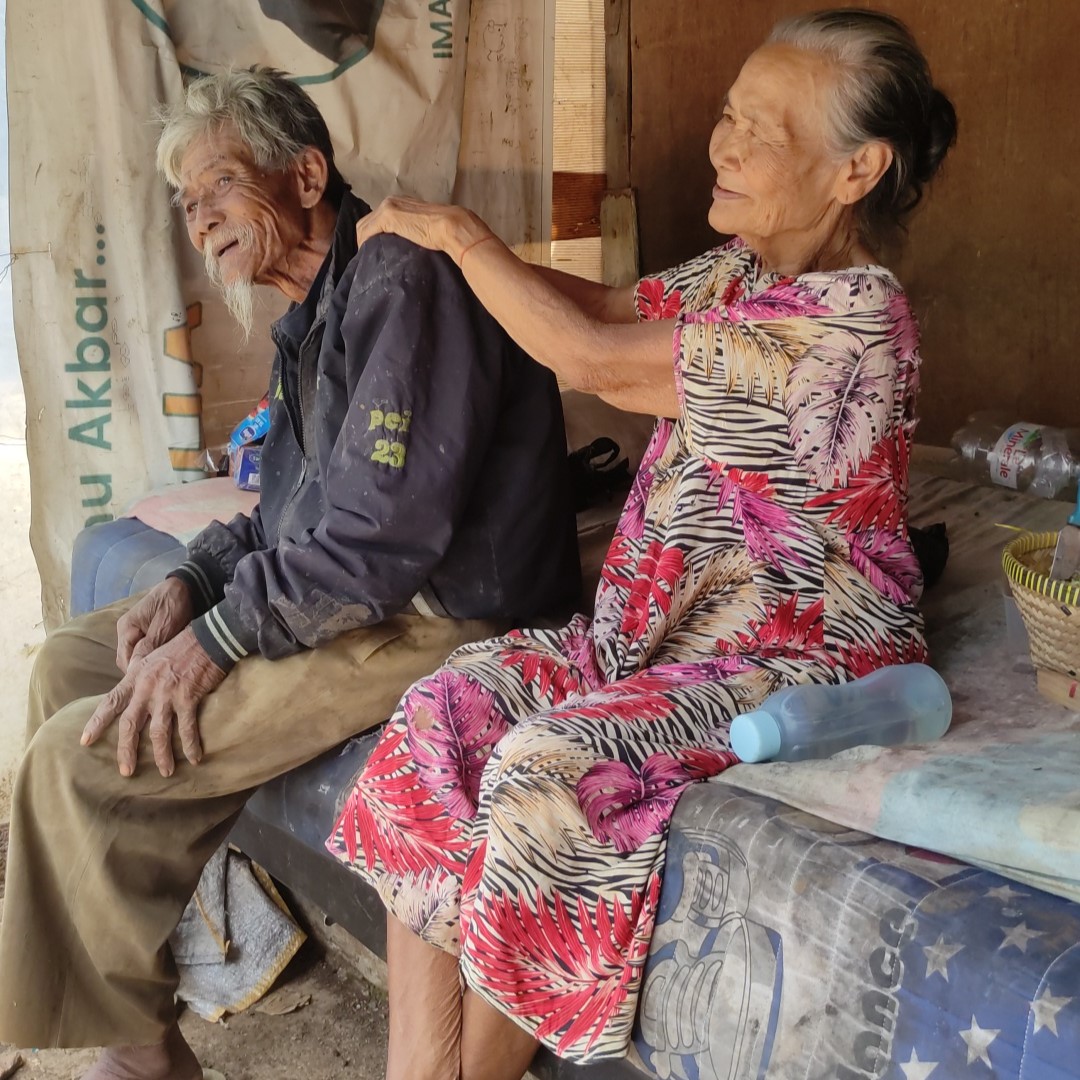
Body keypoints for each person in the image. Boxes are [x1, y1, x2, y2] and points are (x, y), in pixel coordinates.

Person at [326, 9, 957, 1077]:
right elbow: (611, 307)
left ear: (857, 170)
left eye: (760, 130)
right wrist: (460, 267)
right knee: (448, 706)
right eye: (728, 116)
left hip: (790, 657)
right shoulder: (739, 274)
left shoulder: (851, 323)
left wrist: (466, 243)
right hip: (653, 640)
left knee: (545, 769)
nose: (723, 145)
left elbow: (592, 359)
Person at [0, 68, 580, 1079]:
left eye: (220, 184)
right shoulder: (313, 315)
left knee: (74, 759)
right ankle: (139, 1025)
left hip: (444, 615)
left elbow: (382, 539)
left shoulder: (402, 277)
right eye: (187, 203)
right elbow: (287, 516)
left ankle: (138, 1061)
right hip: (361, 593)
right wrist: (191, 584)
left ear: (306, 177)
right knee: (69, 667)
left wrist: (217, 640)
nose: (200, 218)